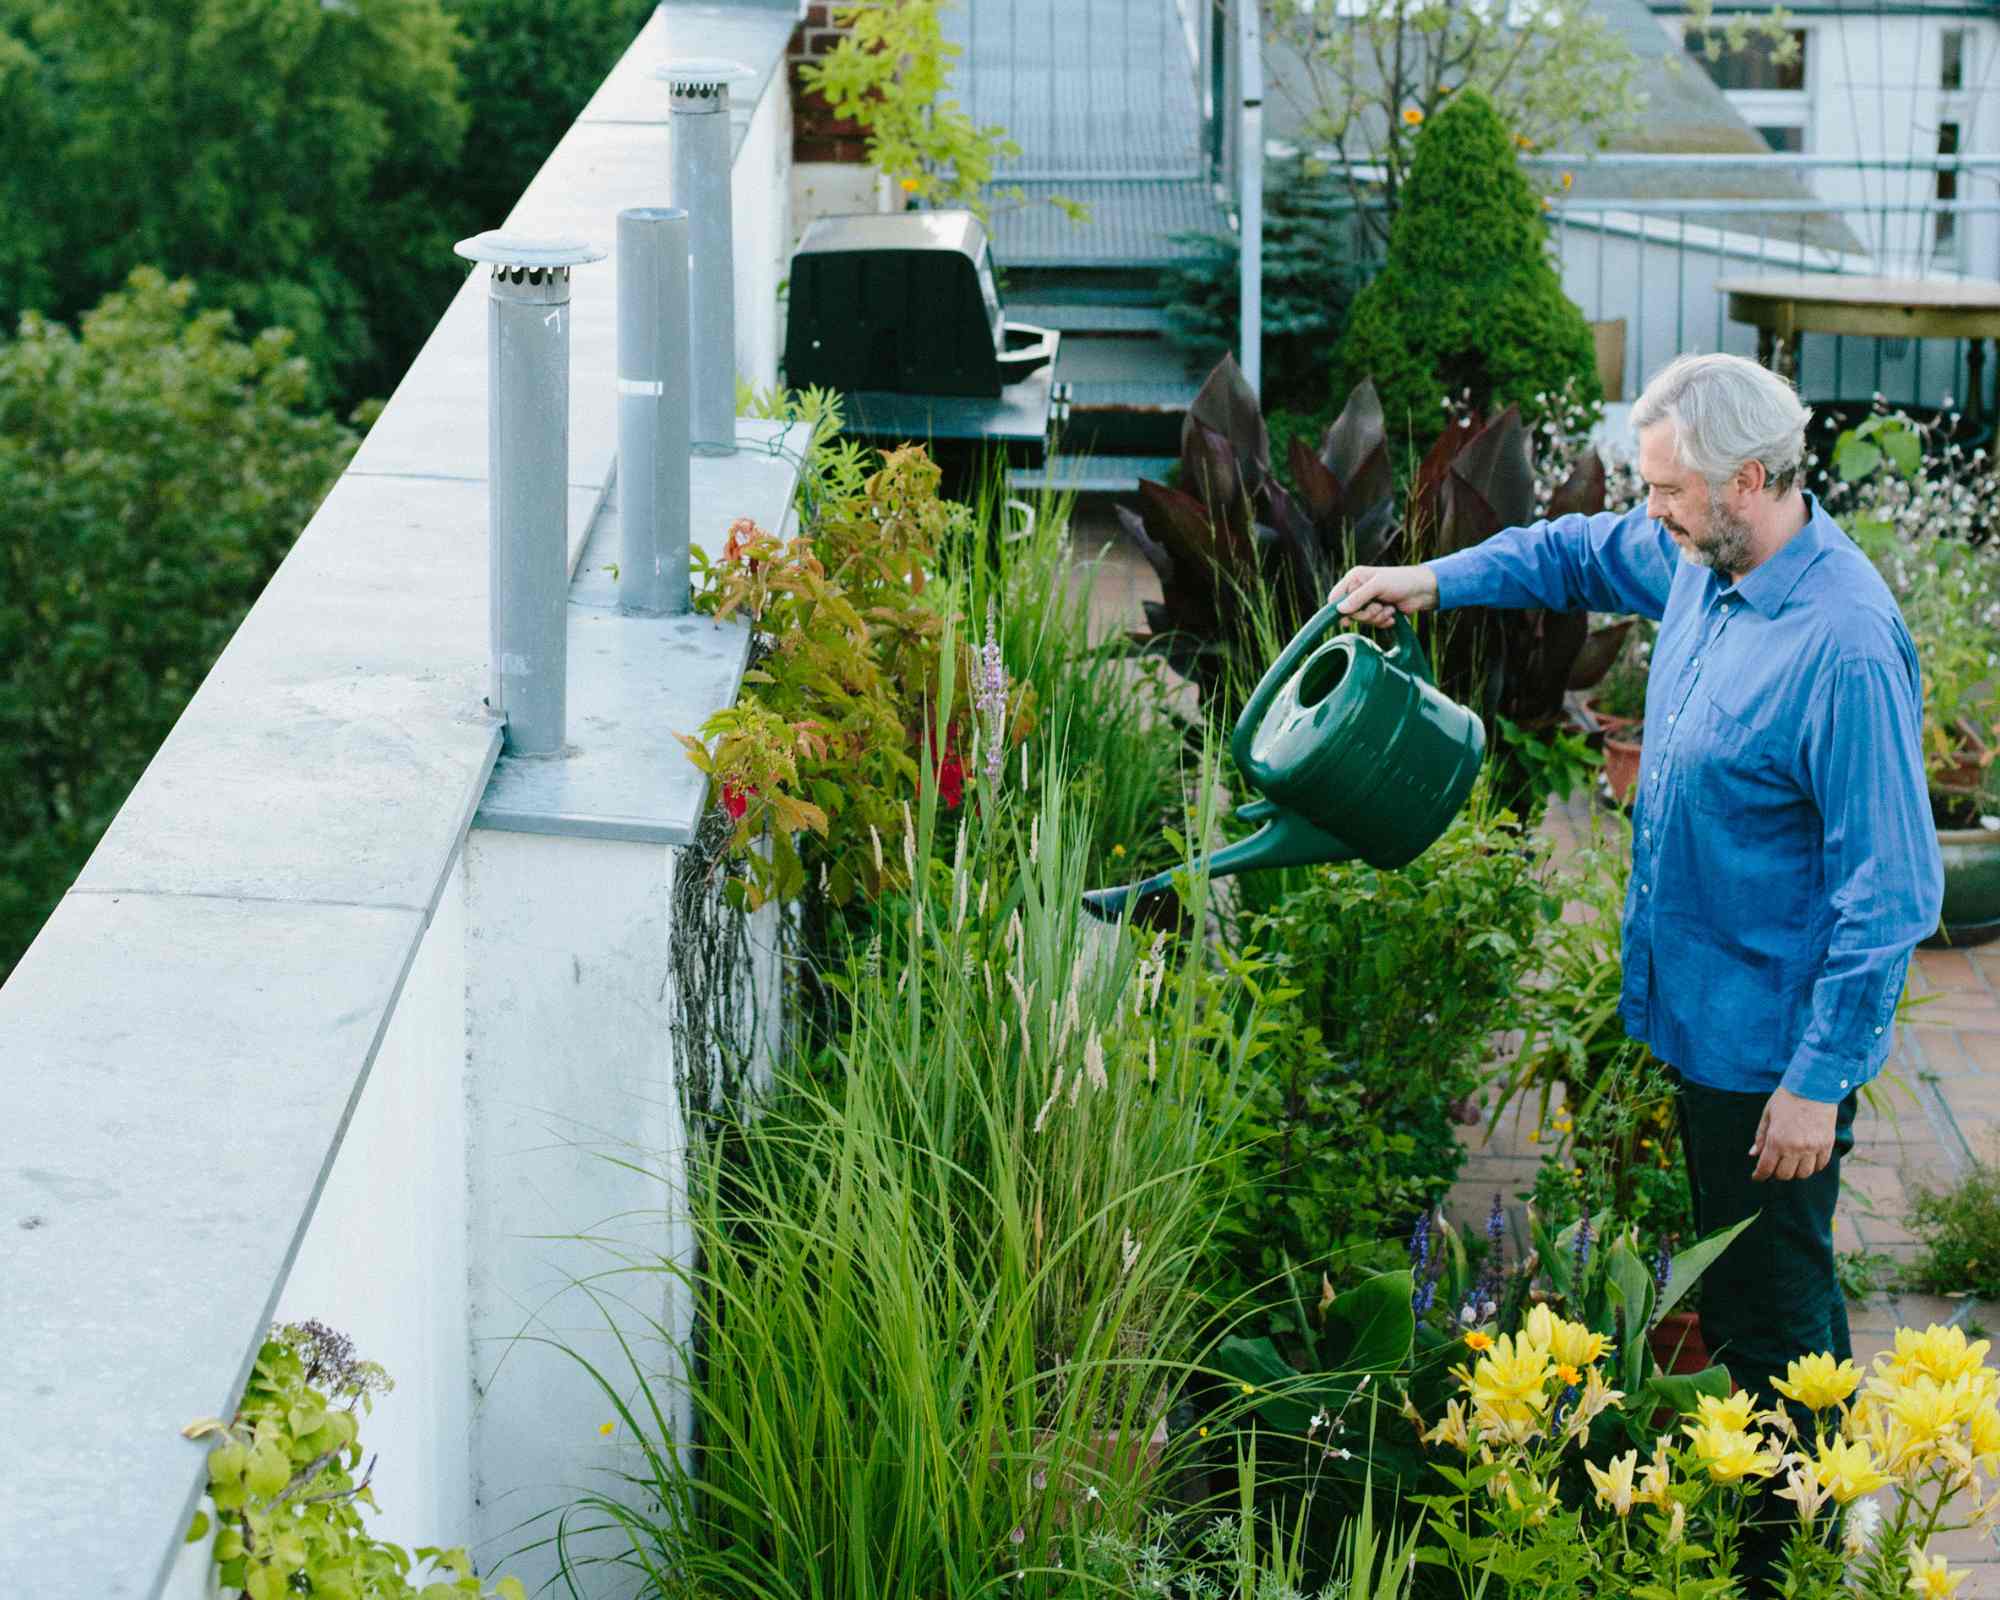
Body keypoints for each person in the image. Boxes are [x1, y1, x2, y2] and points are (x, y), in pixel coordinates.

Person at [1329, 353, 1943, 1584]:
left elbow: (1890, 896)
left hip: (1766, 1053)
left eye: (1665, 492)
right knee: (1740, 1281)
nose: (1646, 513)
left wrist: (1815, 1082)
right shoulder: (1703, 554)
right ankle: (1783, 1520)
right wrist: (1423, 578)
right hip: (1696, 1013)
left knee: (1777, 1311)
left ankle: (1796, 1553)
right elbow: (1564, 552)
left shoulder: (1842, 644)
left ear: (1750, 480)